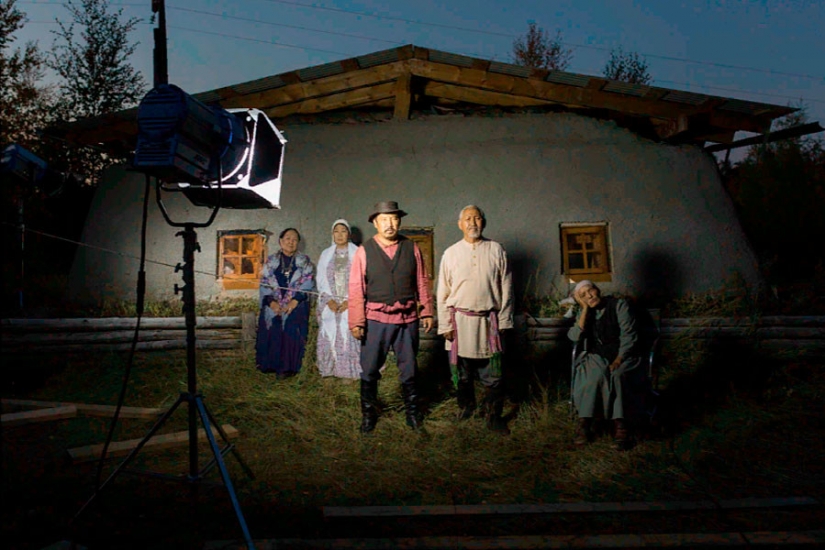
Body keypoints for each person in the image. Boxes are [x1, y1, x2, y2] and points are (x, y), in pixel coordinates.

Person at [348, 201, 434, 433]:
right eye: (384, 219)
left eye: (394, 219)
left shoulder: (411, 248)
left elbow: (422, 281)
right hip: (376, 320)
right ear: (375, 223)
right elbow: (356, 288)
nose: (389, 224)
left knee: (410, 369)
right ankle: (368, 416)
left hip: (407, 320)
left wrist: (426, 309)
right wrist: (356, 321)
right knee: (369, 369)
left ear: (399, 222)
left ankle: (413, 415)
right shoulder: (364, 251)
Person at [436, 205, 513, 433]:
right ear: (460, 224)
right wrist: (445, 324)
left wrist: (505, 320)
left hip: (489, 323)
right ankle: (465, 409)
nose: (473, 223)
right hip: (460, 323)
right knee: (463, 373)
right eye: (468, 219)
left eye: (477, 218)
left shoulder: (496, 249)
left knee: (494, 375)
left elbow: (507, 288)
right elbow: (442, 291)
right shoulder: (450, 253)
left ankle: (493, 416)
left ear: (484, 222)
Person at [568, 280, 648, 450]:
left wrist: (619, 359)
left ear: (597, 290)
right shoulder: (586, 312)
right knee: (592, 376)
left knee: (618, 375)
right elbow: (574, 337)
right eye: (583, 296)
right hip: (600, 355)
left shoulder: (619, 306)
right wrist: (584, 310)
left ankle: (621, 426)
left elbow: (629, 336)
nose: (589, 296)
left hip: (625, 353)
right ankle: (585, 423)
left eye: (590, 291)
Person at [256, 228, 316, 378]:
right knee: (271, 316)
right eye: (288, 238)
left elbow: (308, 284)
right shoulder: (271, 261)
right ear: (281, 241)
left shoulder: (305, 262)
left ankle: (289, 367)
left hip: (296, 302)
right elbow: (264, 284)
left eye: (294, 239)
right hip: (275, 301)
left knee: (293, 318)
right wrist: (272, 302)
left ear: (298, 243)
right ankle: (269, 364)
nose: (291, 242)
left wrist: (295, 301)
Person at [316, 219, 361, 379]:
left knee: (348, 330)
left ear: (348, 234)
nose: (340, 235)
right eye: (337, 231)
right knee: (329, 330)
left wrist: (349, 301)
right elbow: (321, 279)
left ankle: (348, 372)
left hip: (351, 301)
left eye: (343, 231)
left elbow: (362, 279)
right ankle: (328, 371)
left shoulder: (358, 253)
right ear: (332, 234)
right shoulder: (326, 255)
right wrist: (329, 300)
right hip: (331, 301)